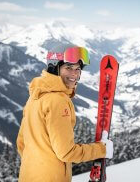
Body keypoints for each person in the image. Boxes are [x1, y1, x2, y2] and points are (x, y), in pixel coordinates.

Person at [16, 44, 114, 182]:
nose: (74, 73)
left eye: (78, 69)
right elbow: (66, 153)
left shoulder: (36, 96)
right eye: (68, 68)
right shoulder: (57, 101)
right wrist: (101, 149)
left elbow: (21, 144)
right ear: (55, 68)